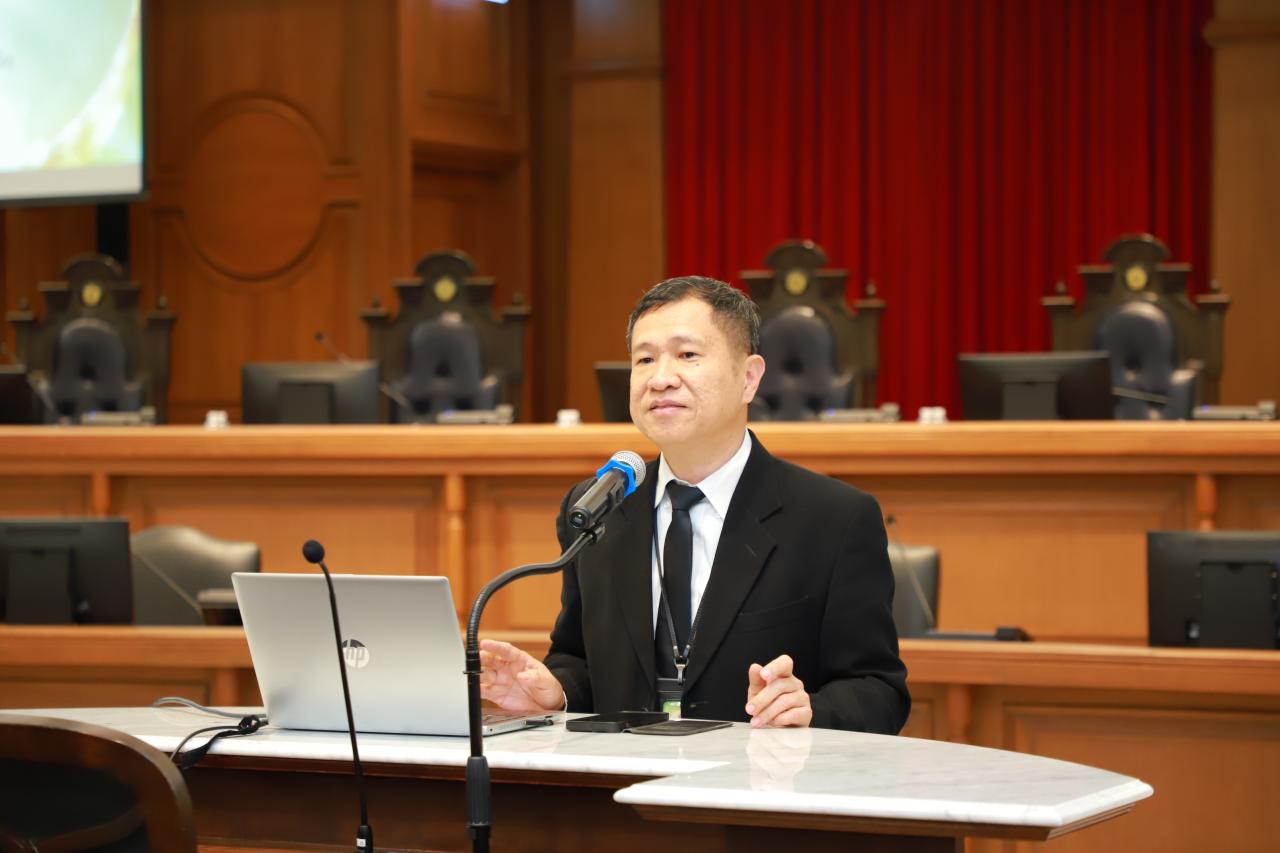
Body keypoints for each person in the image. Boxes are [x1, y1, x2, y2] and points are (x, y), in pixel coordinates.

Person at [480, 276, 909, 732]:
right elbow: (580, 659)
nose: (660, 379)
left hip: (757, 772)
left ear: (749, 378)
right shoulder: (599, 507)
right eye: (644, 359)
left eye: (687, 355)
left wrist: (809, 711)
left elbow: (877, 689)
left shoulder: (833, 518)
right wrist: (557, 693)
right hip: (623, 773)